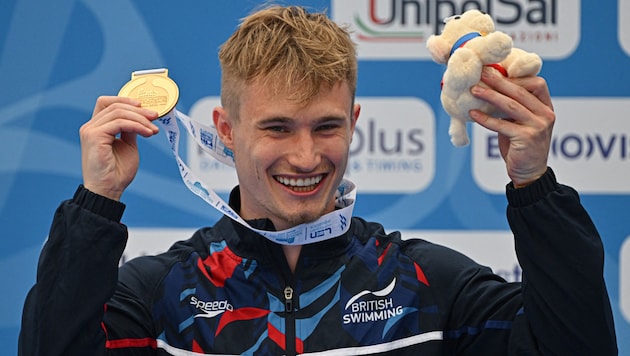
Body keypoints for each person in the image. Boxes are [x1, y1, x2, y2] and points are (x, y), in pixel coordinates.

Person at [19, 5, 617, 356]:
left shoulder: (430, 286)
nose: (305, 157)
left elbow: (577, 345)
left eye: (325, 126)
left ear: (354, 122)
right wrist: (96, 204)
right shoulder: (162, 295)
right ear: (225, 129)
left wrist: (534, 184)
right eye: (277, 128)